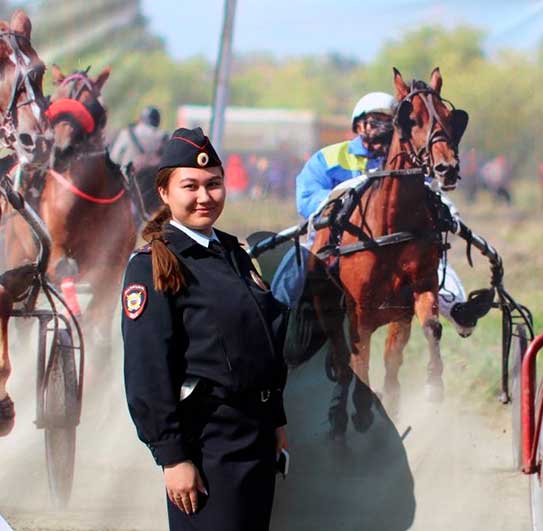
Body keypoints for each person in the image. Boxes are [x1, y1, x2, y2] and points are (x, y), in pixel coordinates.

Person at [121, 127, 288, 530]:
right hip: (208, 444)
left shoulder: (233, 253)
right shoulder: (154, 264)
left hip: (255, 435)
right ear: (164, 193)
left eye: (213, 184)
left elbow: (261, 345)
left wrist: (277, 422)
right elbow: (147, 370)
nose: (204, 197)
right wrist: (173, 457)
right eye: (190, 186)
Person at [294, 91, 492, 334]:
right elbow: (306, 199)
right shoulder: (329, 158)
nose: (383, 128)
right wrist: (346, 199)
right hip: (335, 247)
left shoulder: (406, 160)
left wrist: (446, 208)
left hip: (398, 251)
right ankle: (288, 318)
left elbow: (428, 191)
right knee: (293, 272)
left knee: (430, 264)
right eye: (376, 121)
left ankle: (460, 311)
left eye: (389, 123)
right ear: (359, 124)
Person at [109, 105, 169, 215]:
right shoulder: (164, 137)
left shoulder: (126, 134)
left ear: (140, 119)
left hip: (128, 187)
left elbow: (114, 159)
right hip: (153, 193)